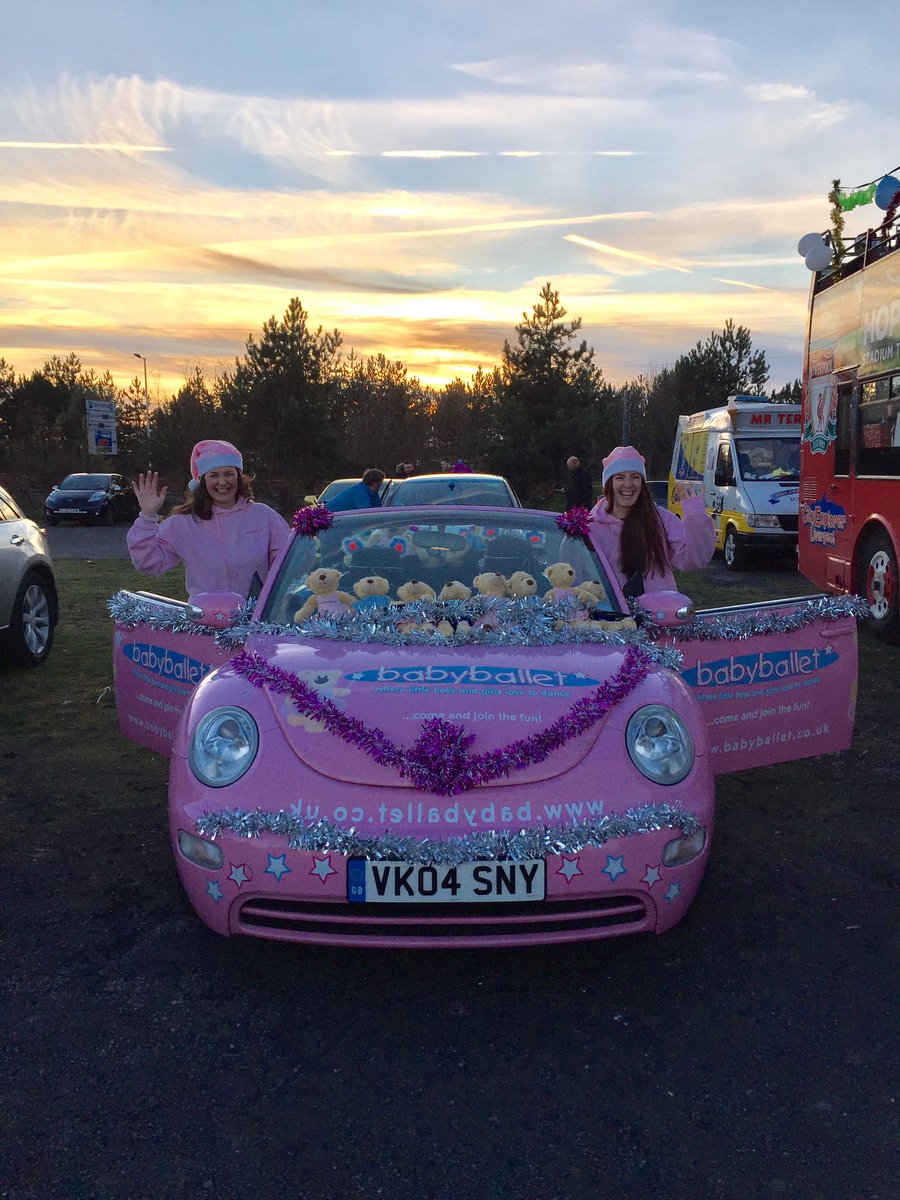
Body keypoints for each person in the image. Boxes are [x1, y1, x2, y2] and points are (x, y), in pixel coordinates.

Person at [127, 439, 289, 602]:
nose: (222, 482)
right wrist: (147, 515)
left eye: (229, 473)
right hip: (204, 616)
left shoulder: (263, 516)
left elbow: (288, 564)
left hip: (257, 614)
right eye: (214, 475)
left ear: (238, 477)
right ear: (202, 481)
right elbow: (149, 563)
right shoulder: (184, 523)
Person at [589, 445, 715, 595]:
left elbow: (694, 560)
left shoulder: (662, 519)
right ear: (608, 484)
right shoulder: (591, 526)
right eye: (620, 477)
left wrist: (695, 516)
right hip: (610, 609)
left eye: (635, 477)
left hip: (660, 608)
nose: (628, 484)